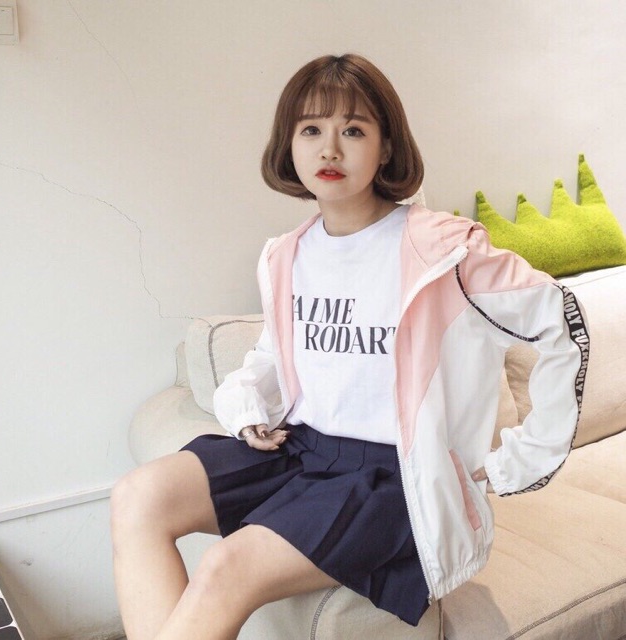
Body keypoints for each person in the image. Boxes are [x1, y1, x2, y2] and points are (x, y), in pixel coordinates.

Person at [111, 53, 589, 640]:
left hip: (393, 477)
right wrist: (250, 410)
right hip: (300, 449)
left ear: (385, 148)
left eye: (354, 131)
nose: (330, 150)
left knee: (225, 567)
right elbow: (275, 354)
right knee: (137, 497)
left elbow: (560, 323)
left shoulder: (444, 250)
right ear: (290, 146)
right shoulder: (287, 254)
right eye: (311, 130)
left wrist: (521, 459)